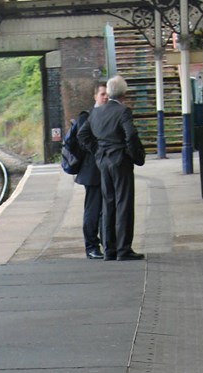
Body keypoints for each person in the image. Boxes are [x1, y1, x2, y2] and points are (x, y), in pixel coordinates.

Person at [78, 74, 146, 261]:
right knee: (123, 203)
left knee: (108, 204)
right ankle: (124, 249)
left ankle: (109, 249)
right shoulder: (123, 112)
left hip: (103, 163)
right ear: (124, 93)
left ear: (108, 92)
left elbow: (82, 134)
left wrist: (98, 151)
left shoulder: (97, 112)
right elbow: (131, 135)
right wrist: (132, 154)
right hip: (120, 161)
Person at [76, 81, 108, 259]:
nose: (105, 97)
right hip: (92, 171)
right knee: (93, 209)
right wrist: (99, 151)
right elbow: (82, 139)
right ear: (95, 96)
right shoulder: (86, 116)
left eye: (107, 94)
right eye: (102, 94)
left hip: (106, 170)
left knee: (106, 209)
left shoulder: (109, 114)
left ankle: (106, 243)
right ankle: (91, 247)